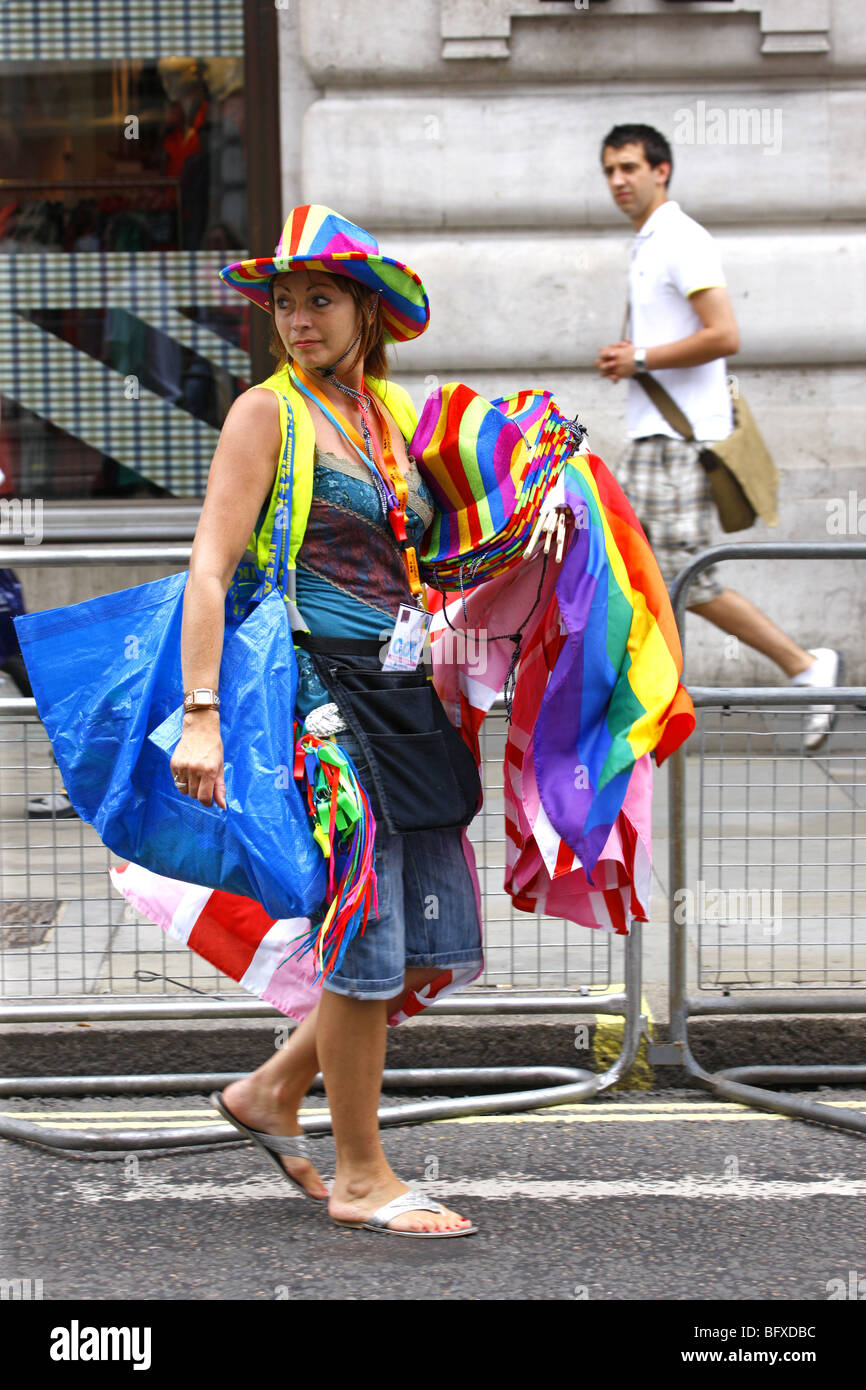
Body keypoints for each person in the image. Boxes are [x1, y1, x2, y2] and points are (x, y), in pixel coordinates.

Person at [169, 206, 481, 1237]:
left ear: (366, 312)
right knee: (366, 934)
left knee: (427, 944)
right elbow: (208, 567)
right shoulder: (268, 411)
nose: (296, 319)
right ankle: (360, 1174)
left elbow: (422, 560)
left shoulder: (388, 419)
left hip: (400, 697)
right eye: (284, 301)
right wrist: (202, 714)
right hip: (319, 705)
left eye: (320, 298)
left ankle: (267, 1091)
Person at [594, 123, 842, 751]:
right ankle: (636, 703)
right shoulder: (648, 244)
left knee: (682, 578)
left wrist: (641, 358)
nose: (618, 181)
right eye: (610, 171)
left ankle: (807, 669)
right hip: (654, 443)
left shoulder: (681, 239)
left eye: (629, 167)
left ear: (661, 171)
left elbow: (725, 334)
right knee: (629, 572)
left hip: (677, 448)